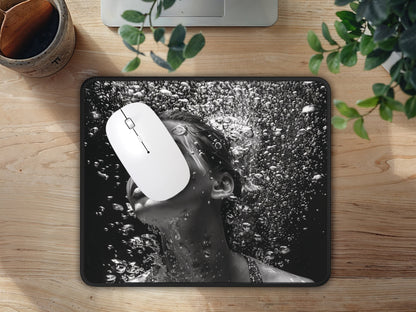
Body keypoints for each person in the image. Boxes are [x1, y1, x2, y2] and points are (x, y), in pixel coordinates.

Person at [126, 110, 312, 283]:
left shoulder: (298, 294)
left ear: (221, 185)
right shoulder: (120, 300)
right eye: (139, 159)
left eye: (169, 153)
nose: (144, 171)